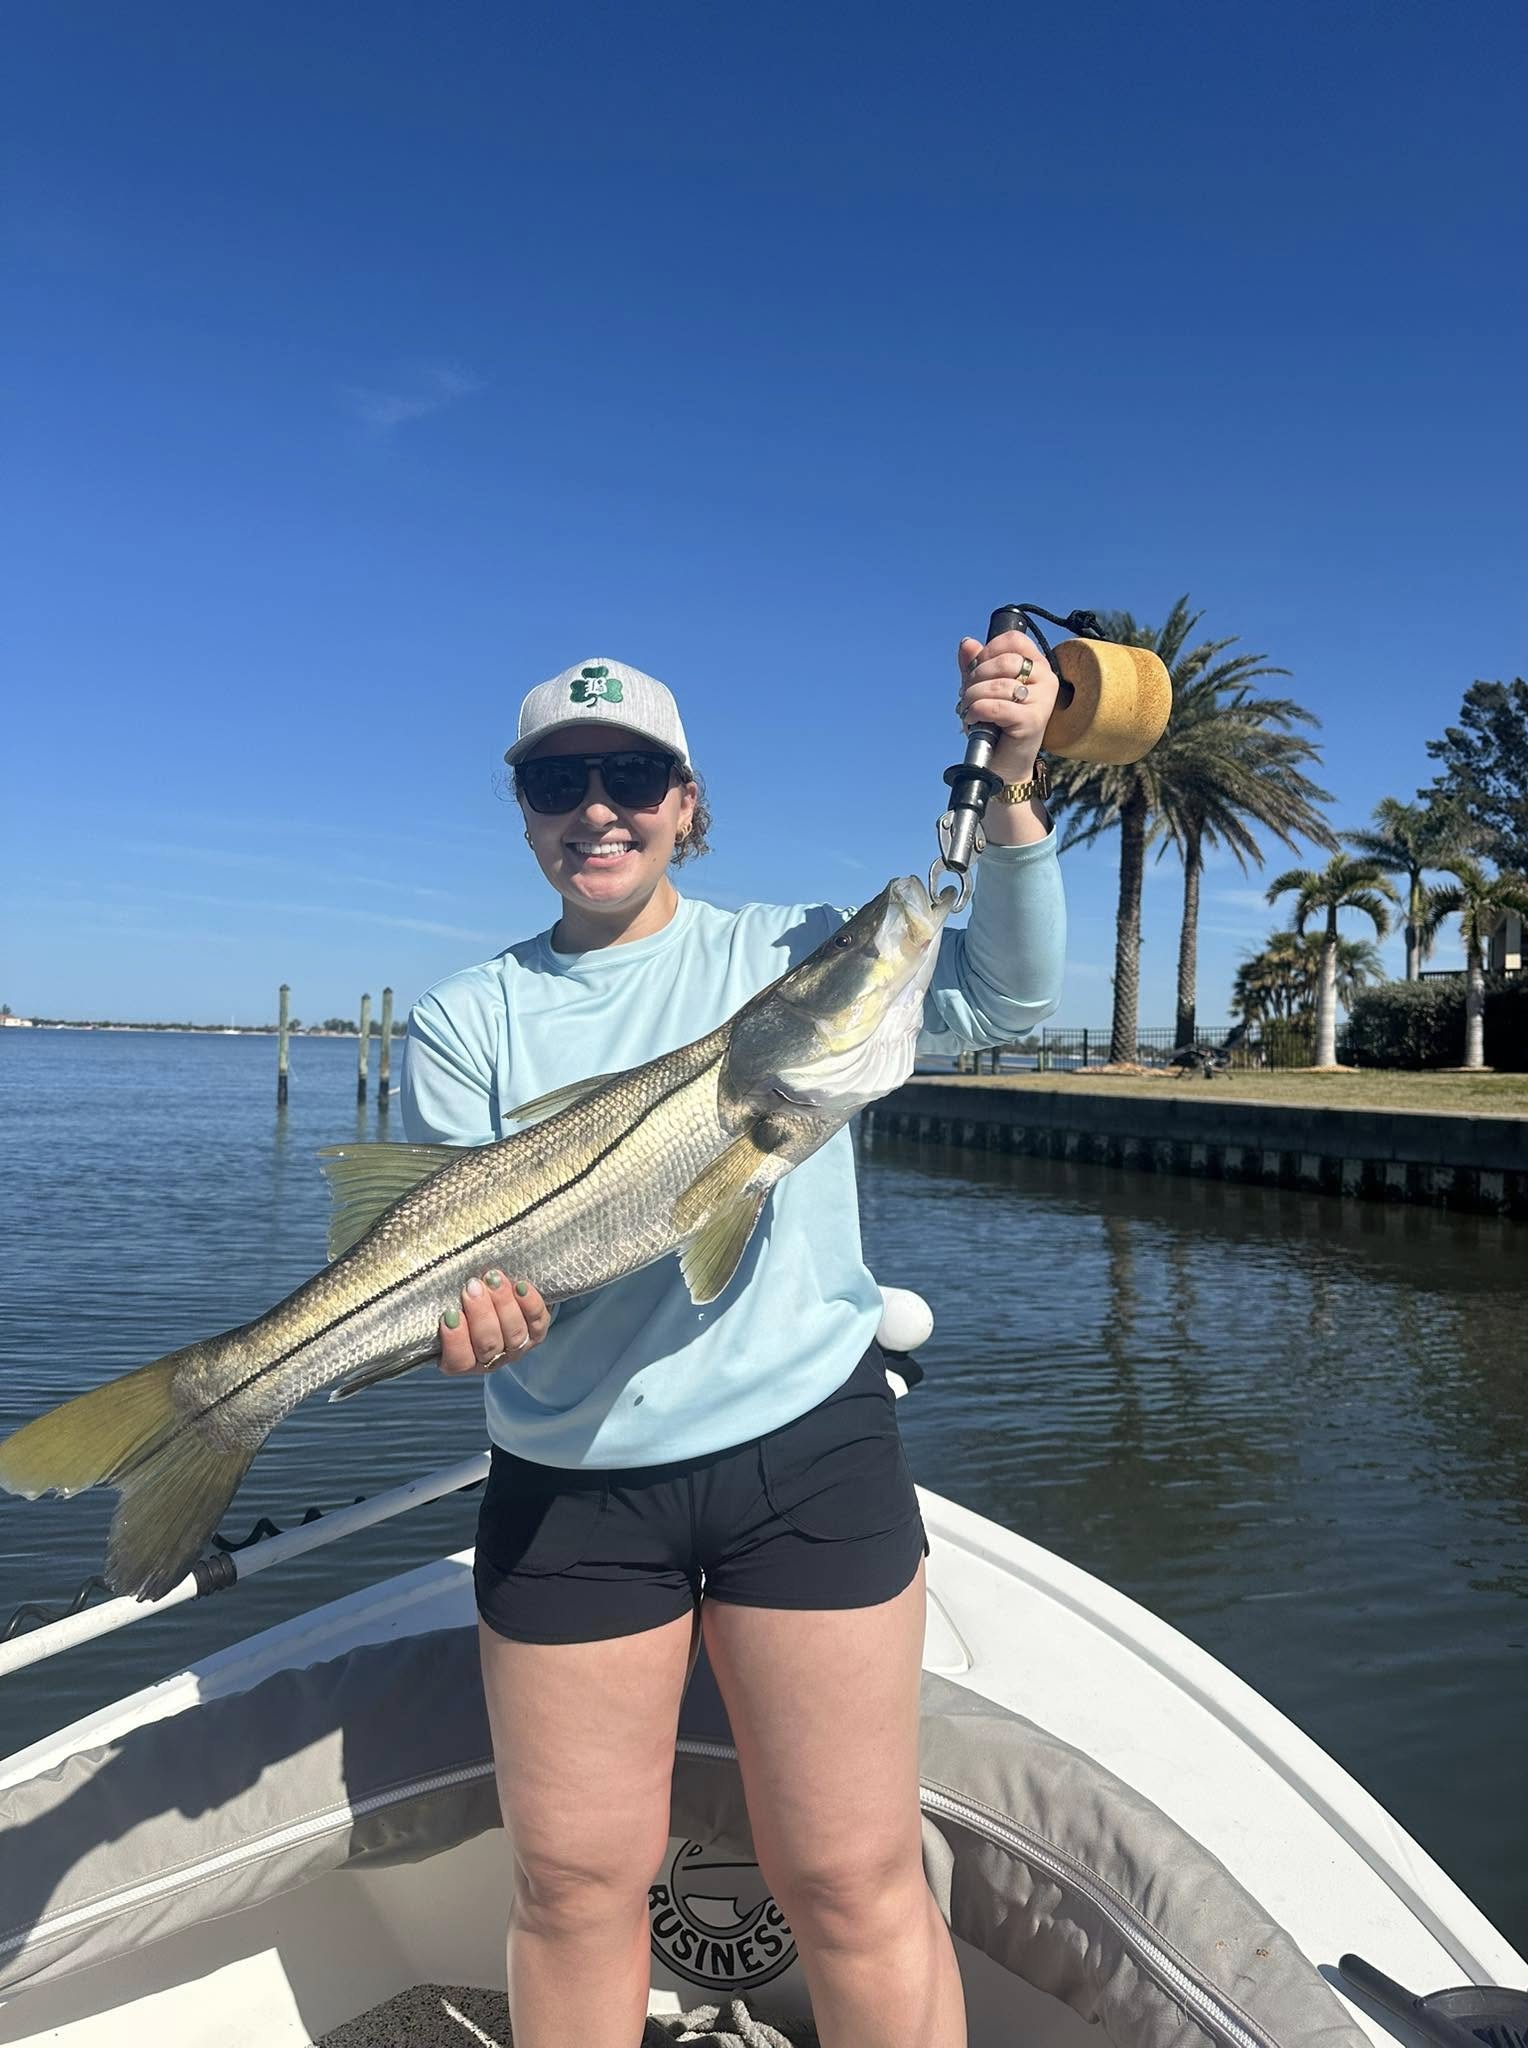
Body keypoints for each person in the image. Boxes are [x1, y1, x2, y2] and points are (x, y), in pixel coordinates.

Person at [400, 628, 1065, 2048]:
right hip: (572, 1488)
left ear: (687, 804)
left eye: (633, 775)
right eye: (560, 780)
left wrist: (1010, 782)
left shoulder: (786, 953)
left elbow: (1008, 991)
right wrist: (471, 1331)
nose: (598, 807)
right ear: (522, 815)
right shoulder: (468, 1018)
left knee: (850, 1876)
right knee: (576, 1883)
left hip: (808, 1463)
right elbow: (475, 1292)